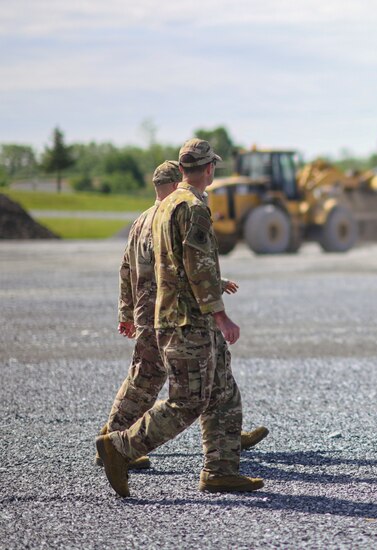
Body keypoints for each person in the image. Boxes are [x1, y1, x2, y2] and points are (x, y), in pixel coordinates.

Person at [97, 140, 264, 496]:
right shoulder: (193, 207)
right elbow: (197, 267)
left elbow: (163, 266)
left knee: (223, 393)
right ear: (208, 169)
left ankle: (220, 471)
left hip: (173, 316)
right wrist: (222, 317)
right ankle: (121, 447)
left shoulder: (163, 207)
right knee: (187, 400)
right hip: (188, 320)